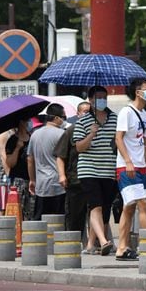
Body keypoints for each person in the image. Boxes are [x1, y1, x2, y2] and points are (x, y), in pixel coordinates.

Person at [114, 78, 146, 260]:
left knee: (129, 207)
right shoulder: (127, 112)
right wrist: (128, 161)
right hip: (127, 166)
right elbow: (119, 138)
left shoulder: (143, 114)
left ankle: (122, 247)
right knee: (142, 204)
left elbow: (142, 139)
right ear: (137, 92)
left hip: (140, 166)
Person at [73, 87, 118, 255]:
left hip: (109, 169)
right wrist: (91, 134)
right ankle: (104, 241)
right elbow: (79, 147)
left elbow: (119, 141)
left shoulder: (115, 118)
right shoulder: (83, 121)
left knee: (104, 209)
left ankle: (91, 244)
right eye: (98, 97)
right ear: (90, 100)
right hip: (89, 169)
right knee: (96, 206)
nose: (102, 100)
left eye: (104, 97)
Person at [27, 103, 68, 220]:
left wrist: (32, 180)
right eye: (63, 117)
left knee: (41, 221)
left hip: (41, 185)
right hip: (59, 184)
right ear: (56, 118)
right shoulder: (62, 134)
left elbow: (30, 159)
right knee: (58, 221)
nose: (64, 120)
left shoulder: (35, 134)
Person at [59, 100, 92, 238]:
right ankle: (73, 240)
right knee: (74, 213)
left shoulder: (97, 129)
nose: (87, 114)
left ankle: (94, 242)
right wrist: (62, 175)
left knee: (95, 211)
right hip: (75, 178)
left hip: (93, 177)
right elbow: (61, 155)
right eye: (84, 112)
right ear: (78, 114)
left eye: (89, 112)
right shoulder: (71, 130)